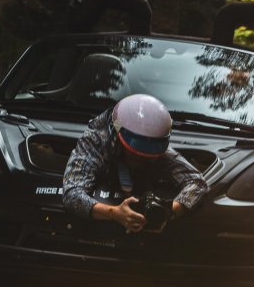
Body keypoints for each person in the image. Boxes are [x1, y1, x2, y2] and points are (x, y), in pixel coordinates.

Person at [63, 94, 207, 233]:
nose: (147, 160)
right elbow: (72, 194)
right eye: (137, 154)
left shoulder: (152, 142)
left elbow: (197, 183)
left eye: (152, 155)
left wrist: (166, 212)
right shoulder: (96, 140)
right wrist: (114, 213)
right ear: (119, 138)